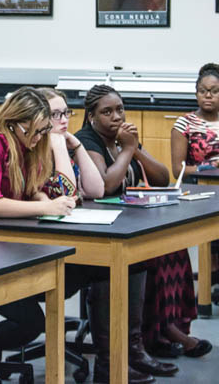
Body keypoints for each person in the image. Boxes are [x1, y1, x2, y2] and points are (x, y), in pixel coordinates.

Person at [0, 87, 107, 384]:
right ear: (20, 123)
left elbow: (34, 188)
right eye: (39, 130)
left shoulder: (30, 145)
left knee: (91, 270)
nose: (42, 137)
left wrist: (43, 198)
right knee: (30, 324)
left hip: (14, 244)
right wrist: (44, 205)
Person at [75, 84, 177, 383]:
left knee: (146, 259)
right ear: (91, 116)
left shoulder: (124, 138)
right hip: (91, 232)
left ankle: (134, 351)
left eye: (120, 109)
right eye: (107, 112)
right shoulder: (87, 140)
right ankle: (108, 364)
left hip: (124, 225)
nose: (116, 117)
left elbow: (162, 178)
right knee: (108, 273)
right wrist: (128, 150)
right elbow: (105, 185)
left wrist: (136, 148)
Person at [171, 63, 219, 179]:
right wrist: (212, 166)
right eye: (202, 91)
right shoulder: (185, 124)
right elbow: (178, 171)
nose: (208, 95)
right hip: (199, 185)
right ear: (196, 94)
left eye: (214, 91)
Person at [37, 87, 104, 200]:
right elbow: (67, 196)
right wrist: (59, 146)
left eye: (66, 112)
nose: (64, 120)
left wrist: (78, 146)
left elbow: (96, 191)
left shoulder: (65, 145)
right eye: (55, 114)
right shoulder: (30, 153)